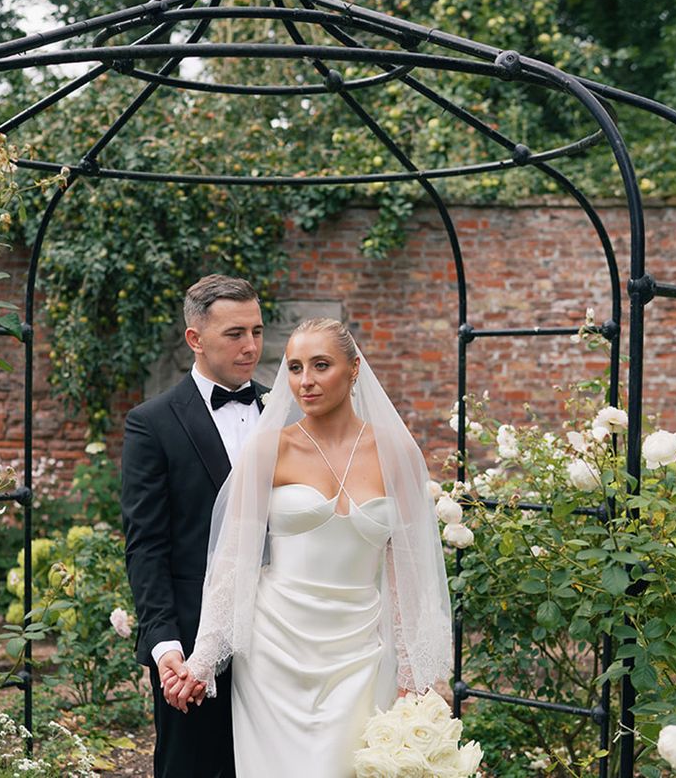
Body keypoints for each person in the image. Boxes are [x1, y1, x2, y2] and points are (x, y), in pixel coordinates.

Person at [164, 317, 453, 778]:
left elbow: (411, 571)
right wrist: (202, 661)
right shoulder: (269, 449)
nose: (306, 381)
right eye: (295, 367)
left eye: (321, 365)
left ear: (354, 368)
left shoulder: (395, 451)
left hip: (362, 652)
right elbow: (233, 564)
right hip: (273, 653)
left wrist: (417, 674)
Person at [120, 274, 267, 778]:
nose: (250, 346)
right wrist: (166, 645)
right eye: (234, 334)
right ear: (195, 339)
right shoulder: (152, 423)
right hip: (194, 644)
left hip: (284, 636)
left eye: (257, 331)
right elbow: (146, 545)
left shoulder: (289, 414)